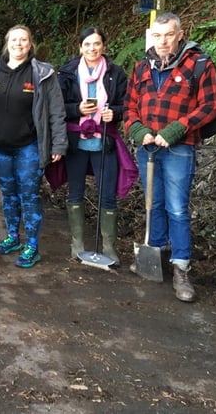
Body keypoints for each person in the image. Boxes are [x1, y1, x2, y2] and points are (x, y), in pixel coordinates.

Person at [124, 12, 216, 302]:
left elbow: (212, 105)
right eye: (157, 35)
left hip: (179, 148)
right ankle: (155, 252)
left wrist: (179, 128)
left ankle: (181, 267)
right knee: (154, 203)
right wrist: (138, 130)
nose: (162, 40)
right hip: (148, 148)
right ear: (150, 36)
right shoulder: (141, 67)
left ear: (180, 35)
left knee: (177, 208)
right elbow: (129, 107)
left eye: (168, 35)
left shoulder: (199, 64)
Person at [0, 25, 67, 268]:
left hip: (30, 146)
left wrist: (58, 143)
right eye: (14, 40)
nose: (18, 44)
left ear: (30, 44)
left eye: (23, 40)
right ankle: (13, 237)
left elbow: (56, 111)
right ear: (7, 43)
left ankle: (32, 246)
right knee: (8, 193)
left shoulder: (42, 73)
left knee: (29, 195)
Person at [58, 27, 128, 265]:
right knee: (75, 191)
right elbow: (58, 106)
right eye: (87, 44)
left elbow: (126, 105)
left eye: (96, 44)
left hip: (104, 139)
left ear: (104, 47)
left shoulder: (115, 73)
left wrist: (114, 113)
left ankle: (109, 247)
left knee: (107, 195)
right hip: (77, 141)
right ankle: (76, 244)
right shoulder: (67, 72)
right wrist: (76, 109)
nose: (92, 48)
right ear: (80, 47)